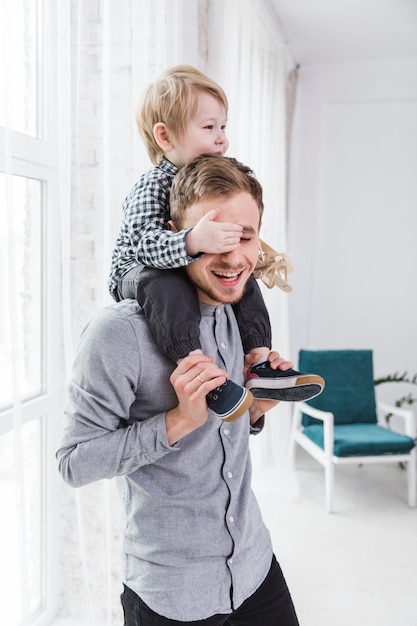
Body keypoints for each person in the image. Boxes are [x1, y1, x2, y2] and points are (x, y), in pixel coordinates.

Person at [57, 154, 300, 625]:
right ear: (175, 235)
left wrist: (255, 408)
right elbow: (72, 463)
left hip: (253, 567)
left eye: (244, 237)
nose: (233, 258)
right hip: (173, 595)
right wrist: (177, 421)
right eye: (216, 238)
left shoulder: (238, 316)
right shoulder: (118, 333)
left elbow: (220, 446)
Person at [108, 65, 324, 421]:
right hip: (137, 272)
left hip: (178, 263)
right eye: (209, 128)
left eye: (223, 127)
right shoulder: (152, 185)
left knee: (246, 277)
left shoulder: (207, 182)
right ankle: (196, 366)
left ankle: (258, 363)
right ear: (165, 137)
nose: (221, 138)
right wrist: (193, 239)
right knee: (165, 282)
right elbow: (144, 246)